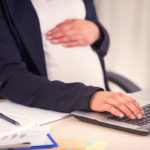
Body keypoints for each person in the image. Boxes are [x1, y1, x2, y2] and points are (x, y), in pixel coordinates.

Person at [0, 0, 144, 120]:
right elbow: (10, 79)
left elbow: (96, 39)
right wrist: (89, 97)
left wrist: (98, 33)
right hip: (56, 114)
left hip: (104, 107)